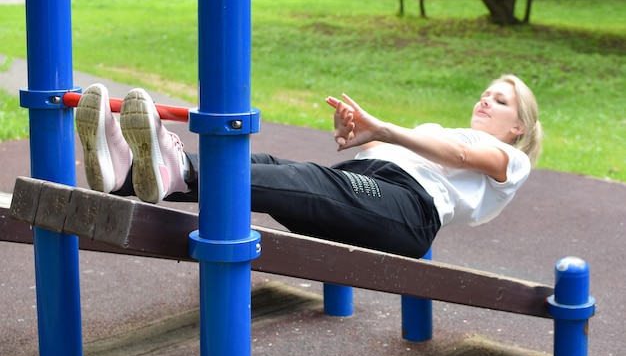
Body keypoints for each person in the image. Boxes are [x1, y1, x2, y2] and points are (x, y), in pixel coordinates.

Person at [75, 75, 541, 259]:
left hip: (409, 212)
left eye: (500, 100)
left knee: (309, 181)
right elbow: (408, 153)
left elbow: (458, 159)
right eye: (485, 92)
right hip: (373, 185)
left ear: (518, 126)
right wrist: (362, 139)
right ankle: (129, 172)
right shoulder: (441, 128)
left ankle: (174, 167)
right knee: (267, 164)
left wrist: (385, 130)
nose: (485, 99)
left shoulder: (512, 160)